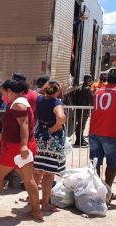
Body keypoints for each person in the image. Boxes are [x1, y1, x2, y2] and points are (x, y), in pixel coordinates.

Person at [0, 79, 43, 221]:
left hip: (15, 148)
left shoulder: (18, 105)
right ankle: (36, 212)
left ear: (9, 91)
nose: (2, 96)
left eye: (3, 93)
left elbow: (24, 126)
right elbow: (10, 127)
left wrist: (23, 146)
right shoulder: (16, 103)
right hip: (17, 147)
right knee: (28, 179)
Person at [33, 81, 66, 212]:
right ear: (58, 91)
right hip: (52, 140)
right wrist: (53, 129)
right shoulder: (56, 103)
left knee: (36, 171)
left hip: (40, 136)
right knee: (48, 173)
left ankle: (33, 199)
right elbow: (61, 118)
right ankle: (45, 203)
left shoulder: (39, 100)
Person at [89, 68, 116, 200]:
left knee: (95, 163)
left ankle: (97, 191)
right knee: (112, 164)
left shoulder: (98, 91)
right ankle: (107, 192)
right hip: (112, 133)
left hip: (94, 131)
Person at [71, 75, 93, 147]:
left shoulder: (79, 88)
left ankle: (80, 139)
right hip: (84, 110)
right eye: (90, 79)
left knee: (80, 125)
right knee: (81, 126)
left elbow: (74, 98)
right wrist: (92, 109)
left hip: (78, 109)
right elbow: (91, 100)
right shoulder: (88, 89)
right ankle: (79, 140)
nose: (90, 81)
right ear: (87, 80)